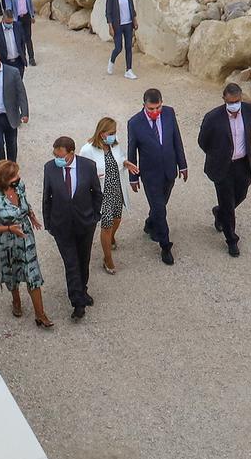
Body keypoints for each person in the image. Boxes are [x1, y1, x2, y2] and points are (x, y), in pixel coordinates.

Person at [0, 161, 51, 327]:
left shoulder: (20, 187)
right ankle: (16, 300)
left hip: (26, 238)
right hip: (6, 242)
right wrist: (9, 228)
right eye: (13, 176)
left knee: (32, 273)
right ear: (3, 180)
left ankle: (40, 315)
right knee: (12, 273)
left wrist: (32, 215)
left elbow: (25, 204)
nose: (18, 177)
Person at [42, 136, 102, 321]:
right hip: (61, 225)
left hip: (85, 223)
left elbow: (97, 194)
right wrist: (48, 223)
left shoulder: (88, 166)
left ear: (71, 153)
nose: (57, 158)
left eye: (60, 155)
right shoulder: (50, 168)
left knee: (83, 260)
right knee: (71, 263)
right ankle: (77, 303)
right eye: (55, 154)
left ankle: (82, 290)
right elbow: (47, 197)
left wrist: (94, 216)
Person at [126, 88, 188, 266]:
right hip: (150, 174)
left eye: (157, 108)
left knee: (161, 204)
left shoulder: (169, 113)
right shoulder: (135, 123)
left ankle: (150, 223)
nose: (155, 112)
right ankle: (165, 245)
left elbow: (177, 139)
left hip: (169, 170)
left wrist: (182, 165)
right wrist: (133, 177)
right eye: (151, 109)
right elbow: (132, 151)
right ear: (144, 105)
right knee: (160, 209)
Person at [197, 83, 251, 257]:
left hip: (242, 163)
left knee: (241, 194)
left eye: (237, 101)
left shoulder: (249, 110)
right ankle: (231, 240)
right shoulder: (212, 117)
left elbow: (247, 133)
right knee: (228, 205)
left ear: (241, 98)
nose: (234, 105)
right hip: (223, 166)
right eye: (230, 102)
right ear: (224, 100)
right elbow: (203, 141)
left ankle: (219, 212)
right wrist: (218, 155)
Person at [79, 118, 134, 275]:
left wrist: (125, 163)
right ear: (101, 133)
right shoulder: (87, 150)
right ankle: (107, 258)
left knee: (117, 219)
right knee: (106, 225)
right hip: (101, 194)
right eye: (111, 133)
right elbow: (82, 172)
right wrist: (94, 176)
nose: (114, 136)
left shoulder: (114, 145)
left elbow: (121, 157)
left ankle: (111, 237)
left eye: (115, 133)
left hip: (116, 188)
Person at [105, 0, 139, 79]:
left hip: (128, 24)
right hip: (117, 25)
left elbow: (131, 7)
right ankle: (112, 60)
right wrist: (110, 27)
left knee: (128, 47)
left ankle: (129, 70)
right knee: (118, 47)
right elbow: (108, 13)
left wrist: (134, 20)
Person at [4, 0, 36, 65]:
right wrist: (10, 18)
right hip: (16, 18)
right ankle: (23, 58)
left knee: (28, 38)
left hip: (26, 16)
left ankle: (31, 58)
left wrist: (32, 15)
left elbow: (30, 3)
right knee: (19, 39)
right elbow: (9, 6)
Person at [0, 9, 27, 77]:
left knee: (18, 85)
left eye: (11, 22)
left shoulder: (18, 26)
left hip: (18, 62)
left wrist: (23, 55)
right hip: (5, 63)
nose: (9, 24)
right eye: (7, 23)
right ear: (3, 19)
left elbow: (22, 43)